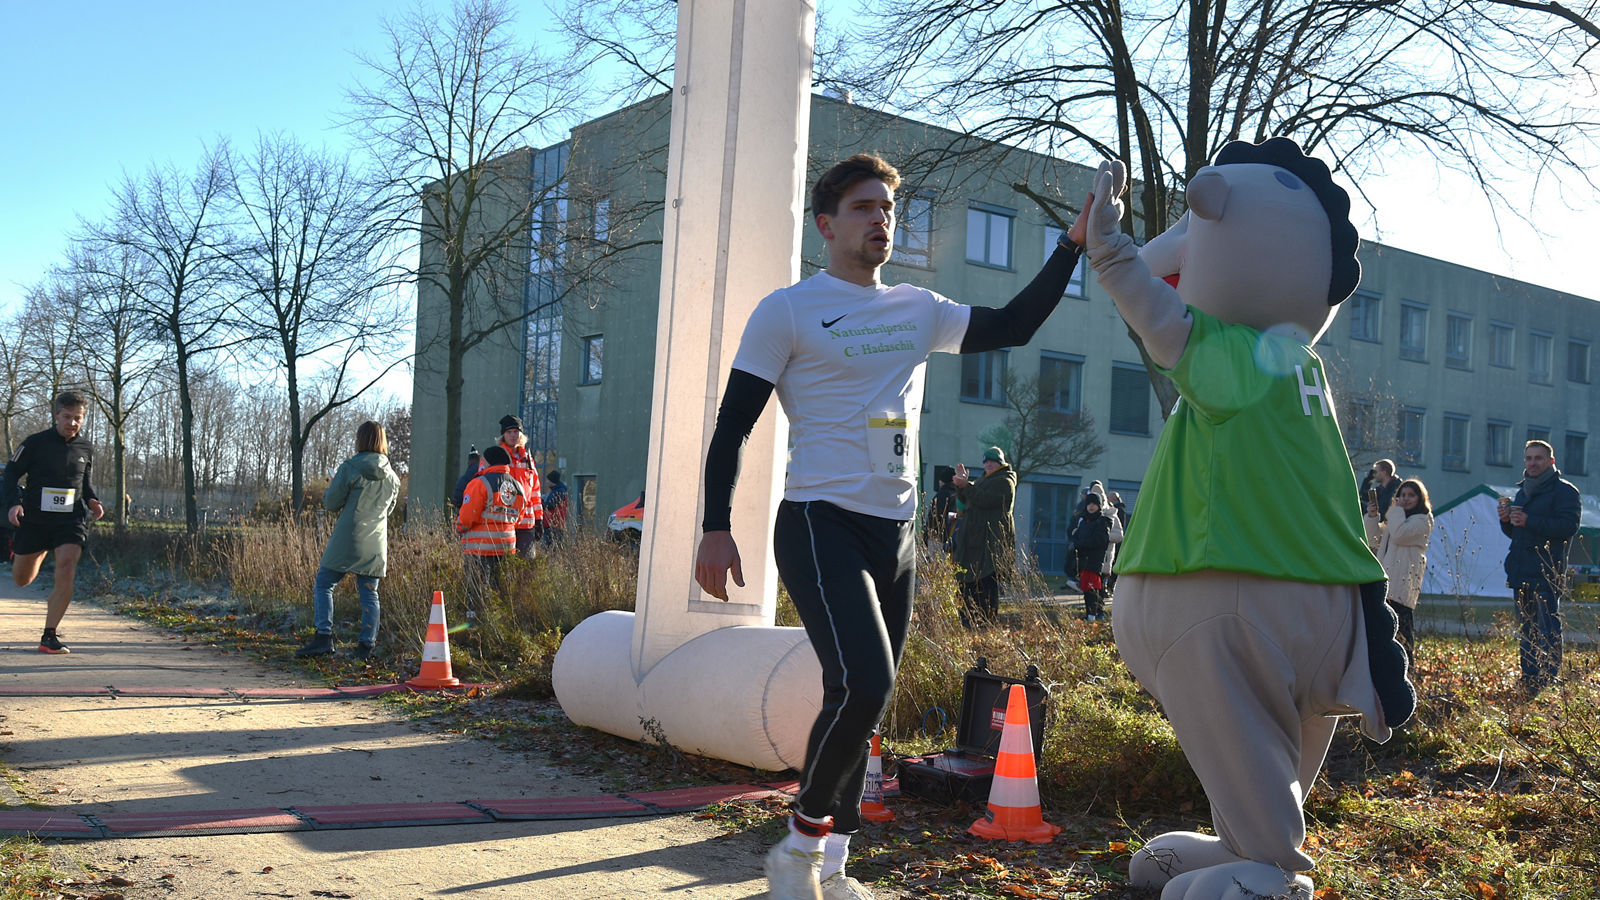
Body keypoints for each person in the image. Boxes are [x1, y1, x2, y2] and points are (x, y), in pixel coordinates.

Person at [693, 153, 1088, 900]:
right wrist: (715, 524)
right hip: (820, 520)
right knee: (865, 682)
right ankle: (796, 849)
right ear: (826, 224)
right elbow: (733, 427)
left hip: (898, 532)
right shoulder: (789, 310)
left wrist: (1070, 243)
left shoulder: (917, 307)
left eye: (889, 209)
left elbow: (1016, 324)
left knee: (858, 694)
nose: (881, 219)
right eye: (865, 207)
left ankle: (830, 870)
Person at [4, 391, 105, 654]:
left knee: (67, 565)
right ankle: (30, 550)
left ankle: (49, 636)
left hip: (70, 520)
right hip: (35, 519)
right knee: (22, 580)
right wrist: (15, 503)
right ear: (56, 415)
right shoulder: (35, 443)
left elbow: (85, 483)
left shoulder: (86, 447)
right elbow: (11, 473)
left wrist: (93, 500)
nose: (73, 423)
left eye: (78, 418)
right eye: (68, 417)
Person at [295, 421, 402, 660]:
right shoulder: (393, 478)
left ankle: (324, 637)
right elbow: (389, 510)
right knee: (370, 593)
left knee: (324, 583)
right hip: (375, 542)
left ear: (360, 439)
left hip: (348, 537)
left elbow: (331, 503)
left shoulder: (350, 468)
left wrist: (333, 486)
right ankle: (366, 646)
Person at [1498, 440, 1581, 697]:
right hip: (1521, 570)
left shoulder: (1566, 492)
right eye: (1528, 458)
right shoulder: (1523, 492)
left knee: (1548, 629)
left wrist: (1529, 520)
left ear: (1551, 462)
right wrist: (1507, 521)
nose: (1532, 463)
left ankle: (1548, 680)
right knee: (1527, 629)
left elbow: (1568, 527)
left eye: (1538, 458)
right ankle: (1530, 678)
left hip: (1547, 571)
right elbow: (1517, 534)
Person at [1364, 478, 1433, 665]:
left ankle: (1408, 670)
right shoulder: (1397, 519)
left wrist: (1394, 510)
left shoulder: (1423, 520)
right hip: (1387, 581)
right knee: (1383, 630)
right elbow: (1375, 540)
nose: (1406, 499)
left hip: (1403, 584)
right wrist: (1372, 517)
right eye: (1402, 495)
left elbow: (1400, 535)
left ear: (1420, 498)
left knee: (1402, 633)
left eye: (1411, 495)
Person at [953, 447, 1017, 628]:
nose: (988, 464)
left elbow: (986, 500)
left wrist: (967, 486)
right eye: (986, 461)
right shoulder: (982, 480)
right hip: (974, 542)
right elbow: (968, 503)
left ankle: (986, 624)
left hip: (990, 543)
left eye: (992, 461)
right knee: (968, 584)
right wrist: (960, 487)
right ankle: (968, 622)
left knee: (986, 585)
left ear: (1001, 462)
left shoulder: (1006, 481)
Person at [458, 444, 525, 618]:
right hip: (506, 547)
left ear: (487, 462)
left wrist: (458, 527)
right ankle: (499, 621)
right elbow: (519, 515)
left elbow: (466, 518)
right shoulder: (517, 486)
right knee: (500, 589)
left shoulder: (479, 483)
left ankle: (474, 623)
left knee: (476, 589)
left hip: (479, 548)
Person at [483, 415, 543, 557]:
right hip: (503, 522)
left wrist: (539, 519)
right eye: (509, 432)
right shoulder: (494, 456)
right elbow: (483, 486)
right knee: (504, 567)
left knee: (525, 568)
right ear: (503, 435)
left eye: (516, 432)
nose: (513, 435)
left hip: (526, 524)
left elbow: (535, 492)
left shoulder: (528, 459)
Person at [1069, 492, 1122, 622]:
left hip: (1094, 561)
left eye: (1094, 504)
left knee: (1093, 588)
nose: (1091, 507)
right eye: (1089, 504)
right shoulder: (1083, 521)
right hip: (1083, 560)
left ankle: (1094, 615)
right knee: (1086, 589)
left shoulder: (1103, 521)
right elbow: (1076, 537)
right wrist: (1078, 543)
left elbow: (1100, 540)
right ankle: (1089, 614)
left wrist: (1082, 543)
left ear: (1099, 505)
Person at [923, 467, 958, 553]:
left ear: (942, 481)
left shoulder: (941, 496)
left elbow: (933, 518)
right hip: (954, 540)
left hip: (938, 539)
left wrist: (926, 536)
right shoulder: (958, 494)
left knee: (936, 563)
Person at [542, 469, 569, 544]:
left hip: (554, 524)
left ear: (552, 481)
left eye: (548, 480)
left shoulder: (559, 492)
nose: (546, 482)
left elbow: (550, 505)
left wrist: (540, 503)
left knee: (551, 547)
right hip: (553, 524)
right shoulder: (557, 490)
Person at [450, 446, 481, 511]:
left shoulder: (464, 479)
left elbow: (457, 499)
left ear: (468, 462)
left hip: (465, 512)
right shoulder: (482, 476)